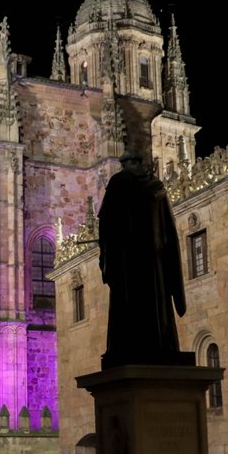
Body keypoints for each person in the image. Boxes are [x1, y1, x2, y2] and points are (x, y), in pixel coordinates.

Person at [97, 148, 186, 368]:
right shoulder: (157, 187)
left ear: (125, 164)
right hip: (155, 260)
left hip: (128, 261)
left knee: (129, 307)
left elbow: (106, 224)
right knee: (156, 305)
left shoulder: (118, 183)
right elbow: (171, 230)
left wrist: (106, 259)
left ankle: (129, 346)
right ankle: (160, 344)